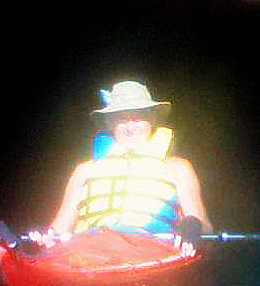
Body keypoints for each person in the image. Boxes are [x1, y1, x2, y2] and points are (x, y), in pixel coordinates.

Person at [42, 80, 212, 245]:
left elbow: (205, 228)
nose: (130, 127)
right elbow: (59, 228)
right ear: (109, 122)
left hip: (154, 251)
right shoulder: (85, 170)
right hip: (89, 254)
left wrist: (193, 227)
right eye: (121, 119)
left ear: (152, 119)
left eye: (137, 118)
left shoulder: (178, 168)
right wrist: (44, 239)